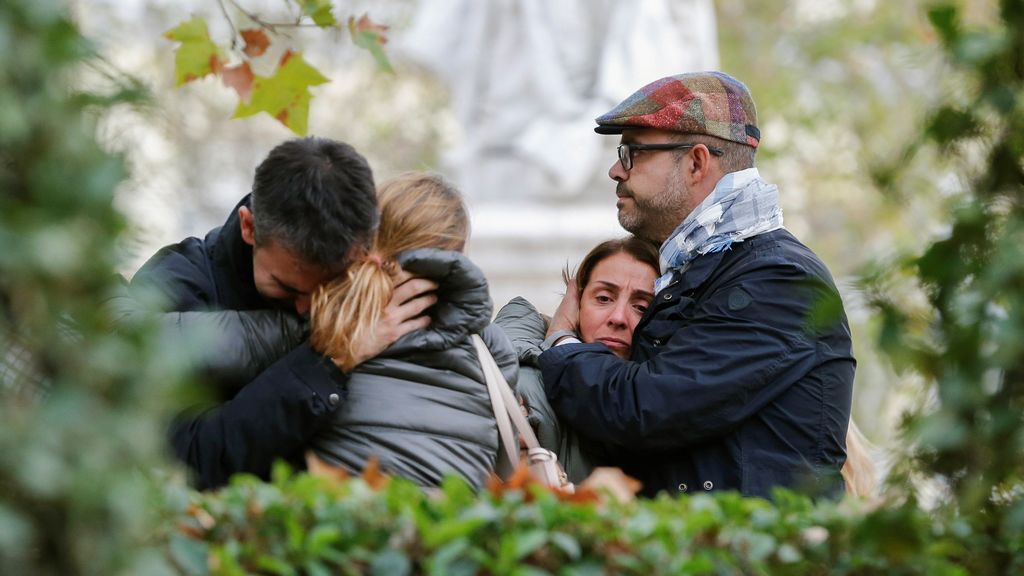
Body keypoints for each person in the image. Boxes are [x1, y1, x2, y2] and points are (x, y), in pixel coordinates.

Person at [538, 71, 856, 498]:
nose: (616, 170)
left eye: (632, 152)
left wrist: (561, 342)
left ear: (696, 162)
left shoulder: (778, 279)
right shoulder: (704, 269)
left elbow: (644, 408)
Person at [124, 137, 437, 490]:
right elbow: (189, 459)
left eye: (325, 289)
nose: (306, 309)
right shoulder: (173, 288)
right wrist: (325, 363)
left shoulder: (372, 293)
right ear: (249, 227)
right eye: (288, 288)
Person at [304, 173, 517, 489]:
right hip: (451, 530)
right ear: (456, 255)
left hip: (341, 524)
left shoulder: (320, 312)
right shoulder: (487, 345)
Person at [495, 236, 660, 483]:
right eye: (604, 298)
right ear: (575, 302)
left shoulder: (661, 401)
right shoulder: (527, 380)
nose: (618, 317)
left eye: (641, 307)